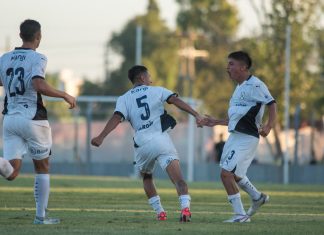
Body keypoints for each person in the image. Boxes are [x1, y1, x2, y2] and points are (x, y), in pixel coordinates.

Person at [91, 65, 205, 222]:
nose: (151, 79)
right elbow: (176, 100)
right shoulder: (158, 90)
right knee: (178, 180)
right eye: (149, 76)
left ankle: (160, 213)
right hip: (161, 140)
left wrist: (101, 136)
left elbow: (117, 117)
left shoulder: (124, 98)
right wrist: (196, 115)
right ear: (142, 78)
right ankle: (185, 209)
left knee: (147, 177)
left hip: (142, 144)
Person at [0, 19, 76, 224]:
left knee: (11, 172)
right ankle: (40, 217)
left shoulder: (5, 58)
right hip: (33, 119)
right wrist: (64, 95)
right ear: (38, 37)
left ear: (20, 35)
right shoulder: (38, 57)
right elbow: (38, 84)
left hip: (10, 120)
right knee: (42, 167)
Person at [204, 51, 277, 223]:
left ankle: (240, 215)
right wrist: (215, 122)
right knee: (236, 175)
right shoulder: (238, 88)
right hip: (235, 136)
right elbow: (236, 119)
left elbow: (272, 104)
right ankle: (257, 197)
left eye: (231, 64)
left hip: (247, 137)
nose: (227, 67)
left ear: (243, 67)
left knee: (226, 174)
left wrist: (268, 126)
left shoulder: (256, 85)